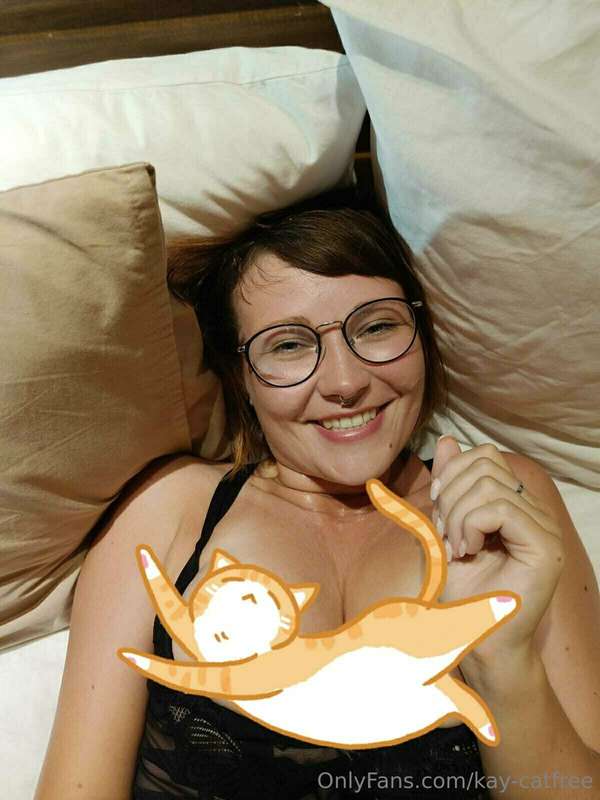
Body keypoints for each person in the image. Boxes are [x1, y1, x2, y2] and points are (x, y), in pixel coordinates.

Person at [35, 193, 600, 800]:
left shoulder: (504, 500)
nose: (346, 382)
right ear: (241, 378)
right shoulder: (168, 514)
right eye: (288, 345)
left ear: (422, 335)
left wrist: (503, 664)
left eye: (377, 327)